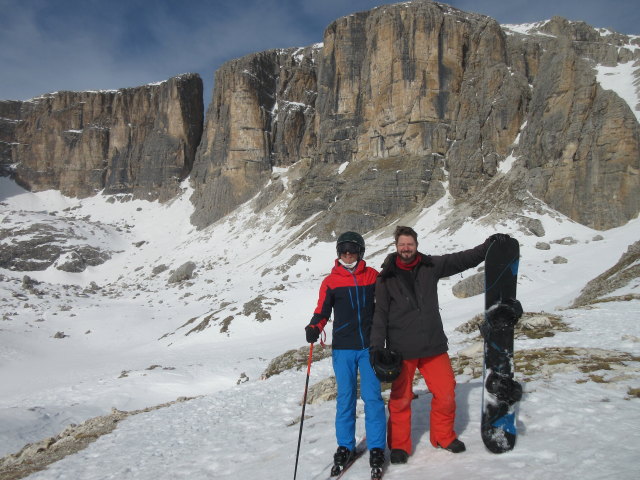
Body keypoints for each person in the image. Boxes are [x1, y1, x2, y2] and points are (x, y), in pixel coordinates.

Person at [370, 225, 510, 464]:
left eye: (410, 244)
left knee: (446, 393)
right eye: (402, 244)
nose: (406, 248)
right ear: (396, 246)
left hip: (433, 346)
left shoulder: (430, 266)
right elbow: (380, 315)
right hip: (401, 349)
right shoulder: (385, 278)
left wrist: (488, 247)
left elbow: (461, 260)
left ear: (416, 245)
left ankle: (443, 437)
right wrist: (377, 348)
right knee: (401, 399)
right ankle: (399, 446)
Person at [305, 231, 386, 472]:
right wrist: (314, 326)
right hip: (343, 348)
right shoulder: (330, 281)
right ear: (338, 253)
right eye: (344, 251)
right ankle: (345, 446)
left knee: (372, 398)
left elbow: (386, 305)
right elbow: (322, 311)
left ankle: (377, 448)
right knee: (346, 398)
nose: (348, 255)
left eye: (352, 250)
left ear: (360, 252)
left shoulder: (373, 276)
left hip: (369, 347)